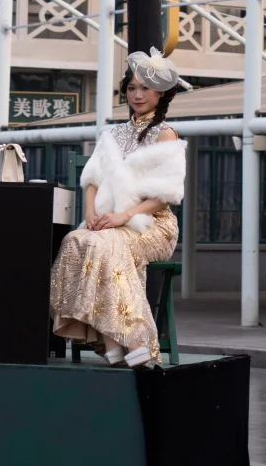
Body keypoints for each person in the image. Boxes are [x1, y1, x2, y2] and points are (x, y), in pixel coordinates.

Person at [50, 48, 189, 368]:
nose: (137, 95)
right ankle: (109, 341)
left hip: (153, 223)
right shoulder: (114, 134)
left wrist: (124, 216)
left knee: (106, 246)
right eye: (131, 88)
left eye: (145, 88)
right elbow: (92, 180)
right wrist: (90, 215)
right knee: (76, 241)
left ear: (161, 94)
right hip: (111, 220)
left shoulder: (165, 133)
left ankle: (132, 342)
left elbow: (165, 195)